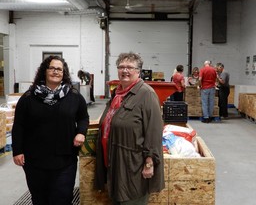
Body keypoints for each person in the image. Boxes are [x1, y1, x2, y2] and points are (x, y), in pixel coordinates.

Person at [12, 55, 89, 205]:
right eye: (52, 68)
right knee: (40, 199)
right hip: (35, 160)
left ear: (64, 73)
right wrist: (17, 151)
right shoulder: (28, 98)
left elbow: (83, 117)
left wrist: (81, 132)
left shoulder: (73, 96)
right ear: (44, 71)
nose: (55, 71)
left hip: (65, 159)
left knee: (62, 198)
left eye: (59, 69)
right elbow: (19, 125)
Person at [95, 52, 165, 204]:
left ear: (138, 71)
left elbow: (154, 131)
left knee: (131, 199)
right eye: (121, 67)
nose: (125, 70)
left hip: (134, 167)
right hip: (115, 163)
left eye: (130, 67)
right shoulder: (117, 93)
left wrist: (149, 163)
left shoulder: (146, 94)